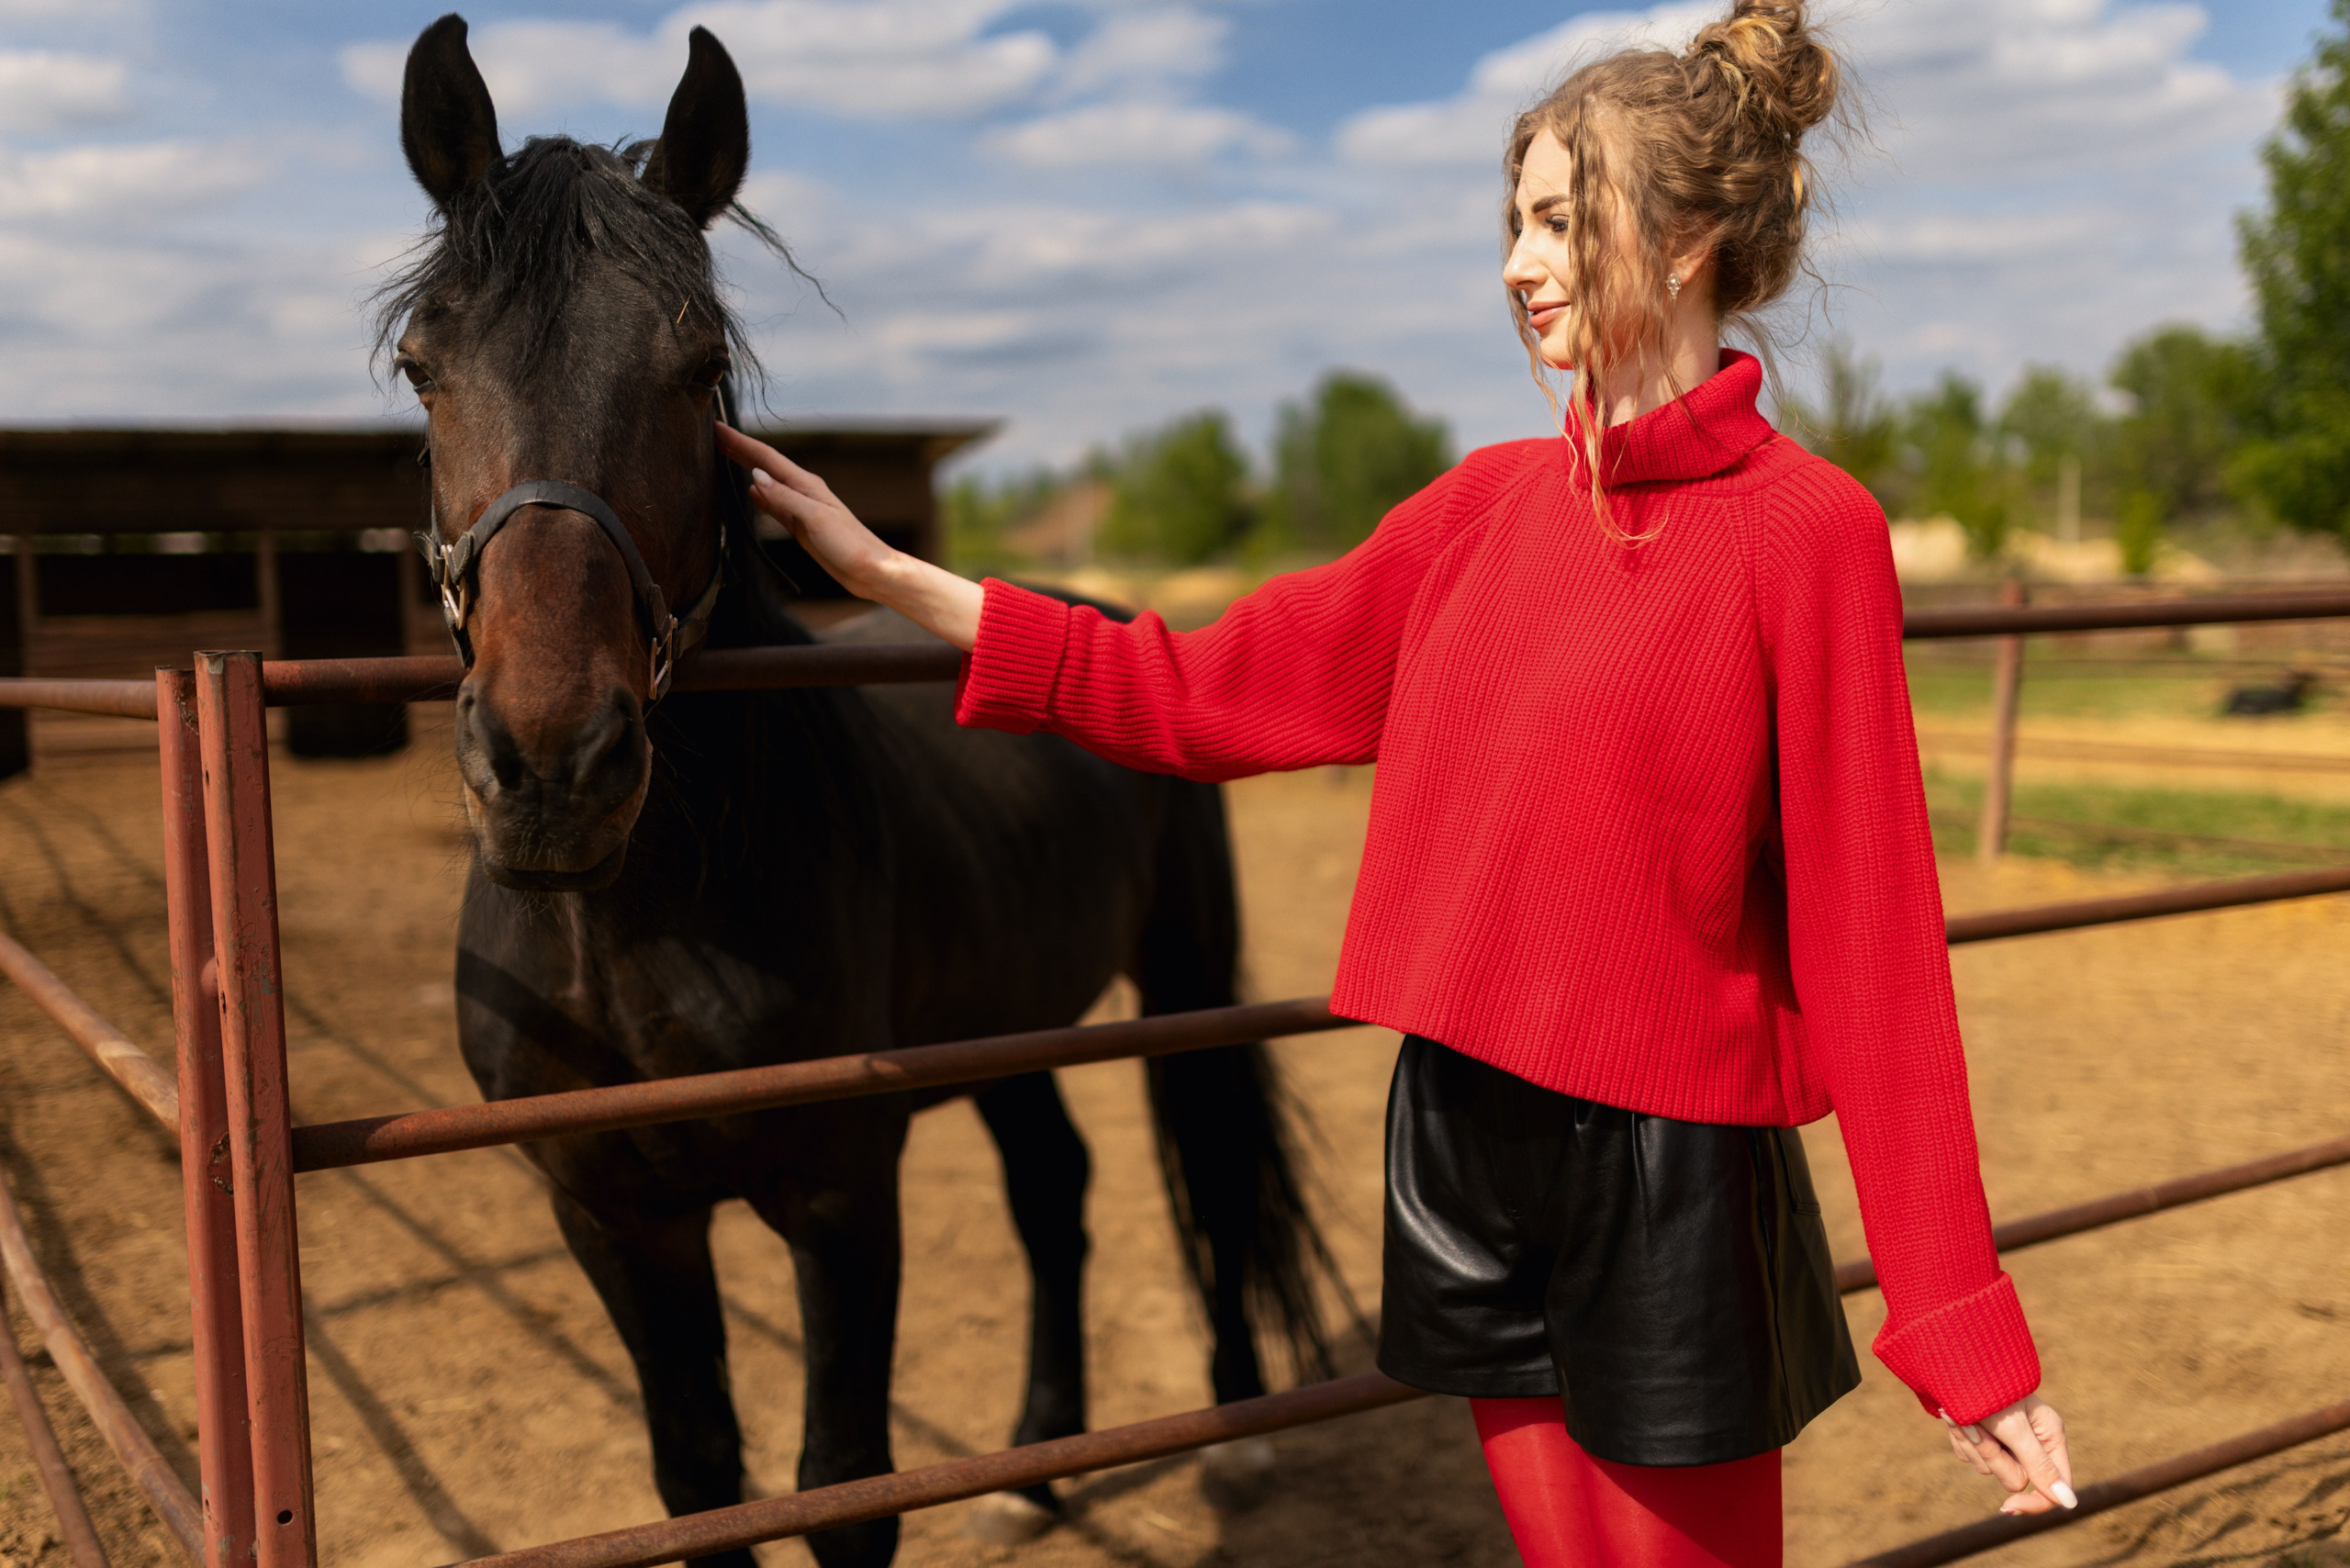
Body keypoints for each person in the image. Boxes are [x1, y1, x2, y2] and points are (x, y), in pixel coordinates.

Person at [716, 1, 2076, 1560]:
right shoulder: (1475, 514)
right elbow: (1192, 687)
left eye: (1562, 219)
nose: (1519, 261)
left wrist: (1961, 1325)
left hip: (1671, 1172)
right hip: (1462, 1135)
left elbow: (1874, 945)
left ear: (1690, 237)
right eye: (1513, 221)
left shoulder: (1808, 532)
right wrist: (891, 576)